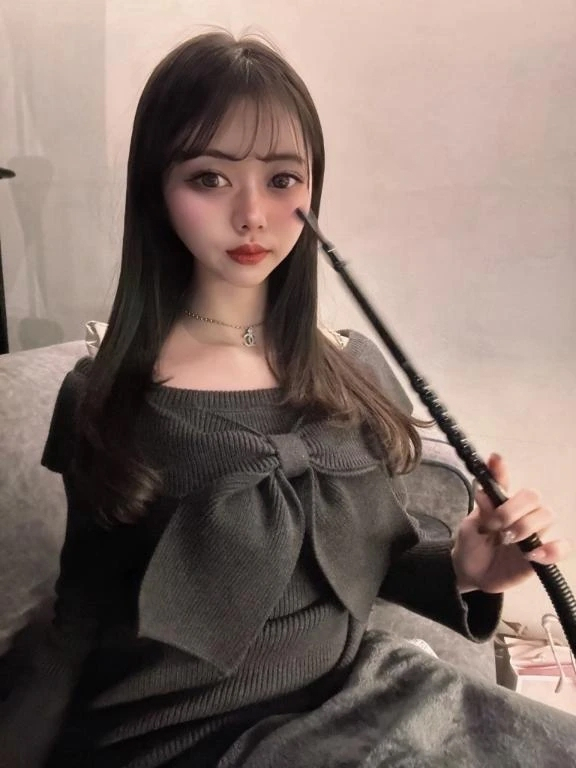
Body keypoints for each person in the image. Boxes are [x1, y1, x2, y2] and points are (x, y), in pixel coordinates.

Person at [0, 30, 574, 768]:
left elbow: (369, 556)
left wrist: (469, 568)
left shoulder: (351, 368)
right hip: (185, 740)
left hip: (359, 702)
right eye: (210, 177)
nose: (252, 215)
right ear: (156, 189)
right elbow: (80, 611)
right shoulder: (105, 396)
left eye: (282, 179)